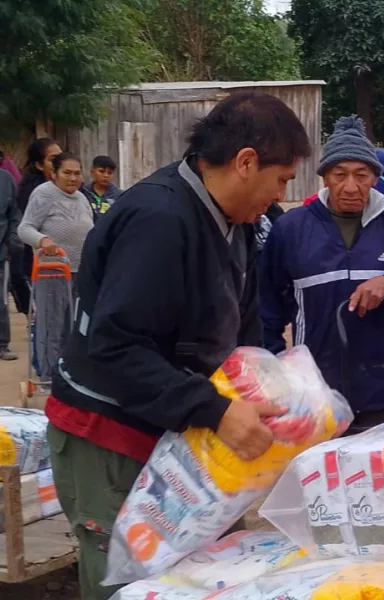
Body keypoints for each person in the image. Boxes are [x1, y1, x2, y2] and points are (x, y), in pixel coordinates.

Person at [45, 91, 312, 600]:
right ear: (245, 163)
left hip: (178, 434)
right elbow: (116, 347)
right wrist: (213, 408)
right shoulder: (159, 220)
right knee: (129, 583)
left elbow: (244, 332)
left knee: (198, 577)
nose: (278, 196)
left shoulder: (237, 225)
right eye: (280, 180)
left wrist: (267, 392)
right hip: (110, 436)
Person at [261, 115, 384, 434]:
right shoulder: (291, 229)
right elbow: (266, 308)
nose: (351, 186)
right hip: (317, 392)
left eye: (362, 175)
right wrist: (278, 373)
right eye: (340, 175)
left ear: (375, 178)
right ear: (325, 177)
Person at [19, 153, 95, 274]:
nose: (73, 178)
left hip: (82, 271)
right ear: (54, 174)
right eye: (67, 173)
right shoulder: (45, 193)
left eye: (77, 173)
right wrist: (42, 240)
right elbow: (25, 228)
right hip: (52, 270)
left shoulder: (82, 198)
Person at [12, 138, 62, 315]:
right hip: (40, 267)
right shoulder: (39, 194)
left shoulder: (73, 192)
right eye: (53, 159)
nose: (59, 162)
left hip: (66, 265)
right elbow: (26, 229)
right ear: (40, 165)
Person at [0, 167, 20, 360]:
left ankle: (2, 345)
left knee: (1, 301)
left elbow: (14, 213)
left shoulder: (6, 179)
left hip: (1, 251)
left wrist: (11, 242)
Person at [82, 155, 123, 221]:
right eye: (101, 171)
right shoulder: (83, 192)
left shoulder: (119, 196)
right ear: (92, 172)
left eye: (109, 173)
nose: (106, 175)